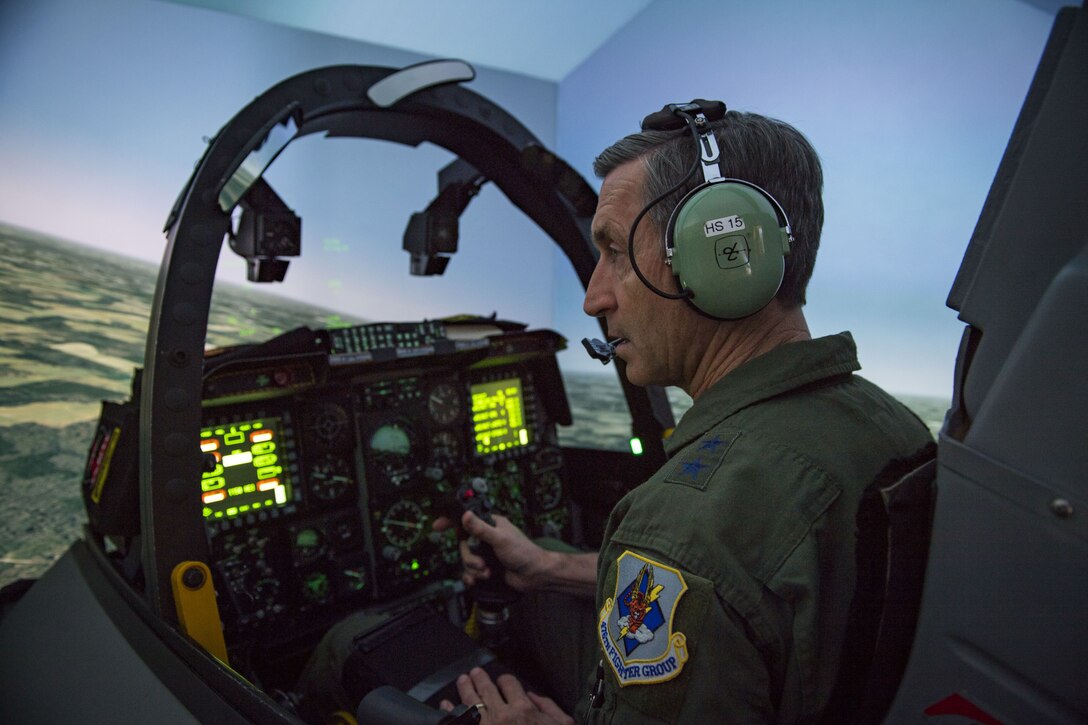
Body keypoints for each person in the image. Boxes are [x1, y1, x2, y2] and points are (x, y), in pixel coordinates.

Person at [437, 103, 935, 724]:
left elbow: (703, 562)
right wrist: (547, 568)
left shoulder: (686, 522)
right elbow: (748, 588)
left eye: (615, 250)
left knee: (354, 659)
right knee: (539, 605)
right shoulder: (883, 423)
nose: (595, 297)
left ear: (722, 257)